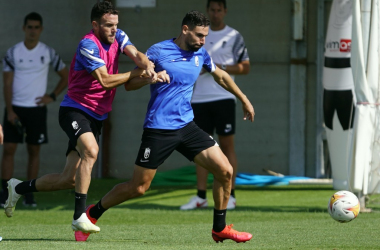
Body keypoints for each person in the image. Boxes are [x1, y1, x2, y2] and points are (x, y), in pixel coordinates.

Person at [75, 10, 255, 243]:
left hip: (187, 126)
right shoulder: (158, 51)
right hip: (159, 129)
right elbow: (130, 85)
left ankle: (219, 228)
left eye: (205, 37)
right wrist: (151, 77)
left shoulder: (201, 53)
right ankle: (92, 213)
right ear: (185, 30)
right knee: (138, 187)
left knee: (225, 170)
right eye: (199, 35)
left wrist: (244, 99)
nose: (203, 41)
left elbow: (220, 76)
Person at [4, 1, 163, 236]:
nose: (113, 30)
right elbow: (106, 80)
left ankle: (18, 187)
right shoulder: (87, 44)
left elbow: (136, 55)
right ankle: (79, 216)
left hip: (97, 116)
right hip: (75, 111)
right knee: (91, 150)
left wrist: (147, 65)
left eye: (116, 25)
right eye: (108, 25)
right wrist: (136, 72)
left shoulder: (118, 35)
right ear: (95, 24)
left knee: (68, 179)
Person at [180, 0, 250, 211]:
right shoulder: (197, 35)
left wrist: (219, 67)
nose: (216, 13)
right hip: (198, 99)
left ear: (225, 12)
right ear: (208, 11)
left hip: (224, 98)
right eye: (212, 10)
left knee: (227, 146)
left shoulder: (234, 36)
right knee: (201, 148)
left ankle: (231, 196)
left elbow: (245, 67)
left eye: (219, 10)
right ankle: (201, 196)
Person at [1, 12, 68, 208]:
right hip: (15, 108)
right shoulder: (13, 52)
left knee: (34, 150)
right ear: (24, 28)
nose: (32, 31)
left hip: (37, 110)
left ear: (41, 29)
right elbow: (6, 83)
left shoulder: (48, 52)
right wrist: (10, 109)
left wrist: (52, 96)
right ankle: (4, 193)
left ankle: (29, 194)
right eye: (29, 27)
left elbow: (66, 76)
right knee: (9, 149)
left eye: (36, 27)